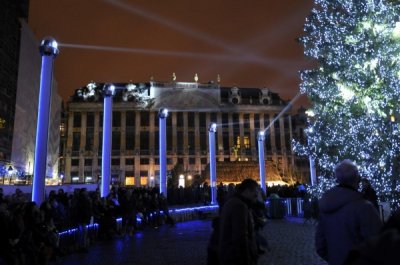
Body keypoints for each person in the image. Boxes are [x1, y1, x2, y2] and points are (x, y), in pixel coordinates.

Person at [315, 159, 382, 265]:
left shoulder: (326, 205)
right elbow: (378, 246)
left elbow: (320, 244)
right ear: (357, 179)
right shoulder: (365, 207)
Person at [218, 179, 259, 265]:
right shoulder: (240, 206)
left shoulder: (232, 201)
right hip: (234, 258)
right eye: (255, 195)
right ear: (247, 191)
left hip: (228, 255)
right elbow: (240, 238)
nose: (256, 199)